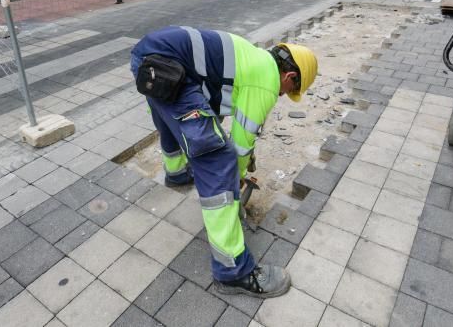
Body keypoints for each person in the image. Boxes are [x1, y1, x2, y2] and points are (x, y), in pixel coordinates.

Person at [130, 26, 317, 298]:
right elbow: (241, 143)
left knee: (171, 120)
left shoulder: (253, 57)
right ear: (289, 76)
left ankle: (177, 174)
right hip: (166, 65)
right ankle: (233, 272)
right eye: (289, 91)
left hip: (149, 58)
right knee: (219, 161)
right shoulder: (266, 80)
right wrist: (237, 177)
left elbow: (211, 97)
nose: (282, 95)